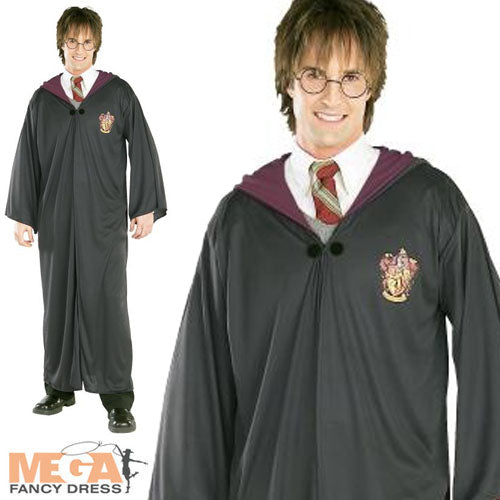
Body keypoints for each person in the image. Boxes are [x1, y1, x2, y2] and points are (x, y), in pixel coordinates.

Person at [148, 0, 500, 498]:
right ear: (288, 81)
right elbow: (198, 393)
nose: (332, 96)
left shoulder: (428, 204)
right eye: (314, 74)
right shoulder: (241, 222)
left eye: (351, 77)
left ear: (371, 86)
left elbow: (489, 352)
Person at [5, 6, 167, 433]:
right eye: (72, 41)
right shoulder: (44, 99)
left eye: (87, 42)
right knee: (58, 299)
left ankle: (117, 398)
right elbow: (27, 158)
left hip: (104, 218)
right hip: (55, 216)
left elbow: (143, 148)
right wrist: (23, 215)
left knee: (107, 302)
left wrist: (144, 205)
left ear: (97, 45)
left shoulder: (117, 94)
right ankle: (59, 387)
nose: (79, 50)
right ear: (61, 44)